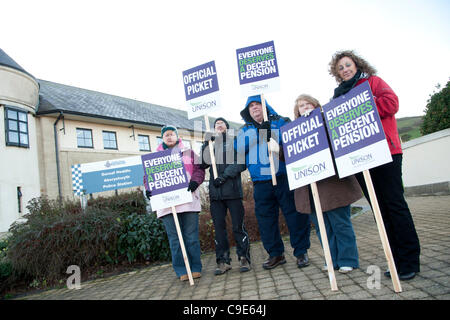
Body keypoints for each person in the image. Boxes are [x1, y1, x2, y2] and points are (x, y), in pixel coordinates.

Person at [328, 50, 421, 280]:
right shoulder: (337, 98)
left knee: (395, 205)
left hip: (386, 153)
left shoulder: (374, 83)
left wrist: (362, 106)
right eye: (340, 68)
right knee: (380, 211)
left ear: (357, 65)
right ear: (337, 74)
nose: (345, 69)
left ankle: (409, 261)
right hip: (360, 159)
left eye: (348, 65)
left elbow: (392, 104)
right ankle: (394, 258)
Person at [236, 95, 311, 270]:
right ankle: (276, 254)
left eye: (258, 104)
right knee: (265, 220)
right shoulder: (244, 130)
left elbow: (292, 142)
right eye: (251, 106)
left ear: (266, 106)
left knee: (295, 215)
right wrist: (260, 131)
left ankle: (301, 252)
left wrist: (273, 134)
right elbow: (238, 148)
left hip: (283, 177)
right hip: (261, 182)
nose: (255, 108)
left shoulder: (281, 122)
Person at [293, 94, 362, 273]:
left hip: (332, 185)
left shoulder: (329, 122)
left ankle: (348, 258)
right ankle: (332, 259)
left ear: (316, 106)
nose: (305, 107)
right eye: (301, 106)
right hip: (310, 189)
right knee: (323, 228)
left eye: (309, 104)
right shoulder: (293, 132)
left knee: (340, 223)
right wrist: (278, 149)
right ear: (297, 111)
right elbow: (290, 157)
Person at [144, 125, 205, 281]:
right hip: (166, 204)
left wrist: (195, 182)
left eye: (172, 134)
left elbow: (199, 169)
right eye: (166, 135)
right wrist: (149, 189)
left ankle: (195, 267)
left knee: (191, 237)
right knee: (175, 239)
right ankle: (181, 270)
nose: (169, 137)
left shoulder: (189, 152)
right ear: (162, 138)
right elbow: (148, 177)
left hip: (188, 200)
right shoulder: (154, 157)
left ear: (177, 136)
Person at [200, 117, 251, 275]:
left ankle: (244, 258)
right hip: (216, 195)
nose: (219, 125)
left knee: (238, 226)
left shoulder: (234, 142)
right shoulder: (211, 145)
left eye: (221, 123)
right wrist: (204, 144)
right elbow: (203, 164)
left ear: (227, 127)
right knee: (219, 229)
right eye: (216, 124)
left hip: (233, 192)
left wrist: (224, 176)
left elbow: (241, 163)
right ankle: (223, 261)